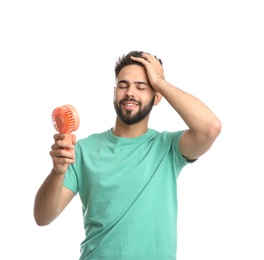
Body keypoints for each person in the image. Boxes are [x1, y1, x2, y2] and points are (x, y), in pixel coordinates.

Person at [34, 51, 222, 260]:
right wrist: (57, 172)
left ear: (157, 96)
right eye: (123, 85)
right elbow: (42, 217)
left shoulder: (168, 148)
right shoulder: (82, 150)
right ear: (115, 92)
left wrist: (160, 82)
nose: (130, 92)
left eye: (141, 87)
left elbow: (210, 127)